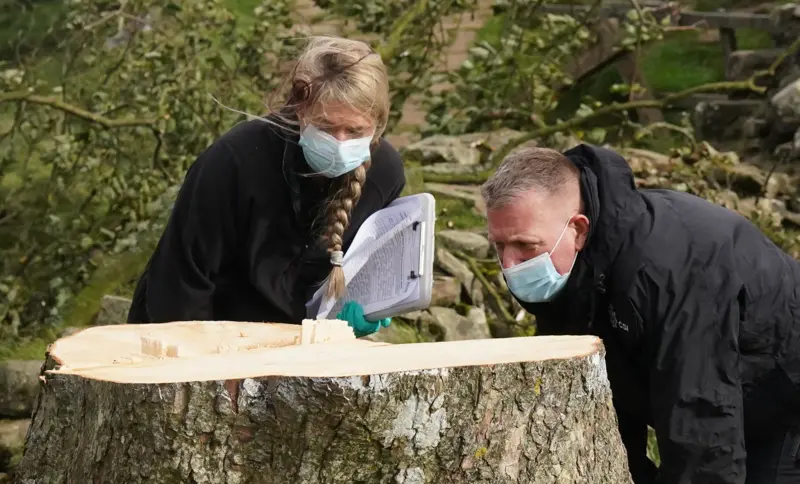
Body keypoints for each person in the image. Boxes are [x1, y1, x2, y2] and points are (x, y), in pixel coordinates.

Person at [480, 143, 800, 483]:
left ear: (578, 229)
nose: (510, 265)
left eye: (526, 246)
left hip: (784, 405)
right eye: (499, 246)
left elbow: (701, 418)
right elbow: (600, 400)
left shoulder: (669, 272)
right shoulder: (572, 272)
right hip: (721, 397)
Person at [126, 36, 405, 338]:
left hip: (298, 346)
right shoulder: (236, 159)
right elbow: (180, 282)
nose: (340, 142)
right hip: (201, 329)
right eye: (325, 126)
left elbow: (362, 266)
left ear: (376, 125)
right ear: (300, 110)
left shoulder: (384, 174)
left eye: (355, 130)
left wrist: (361, 307)